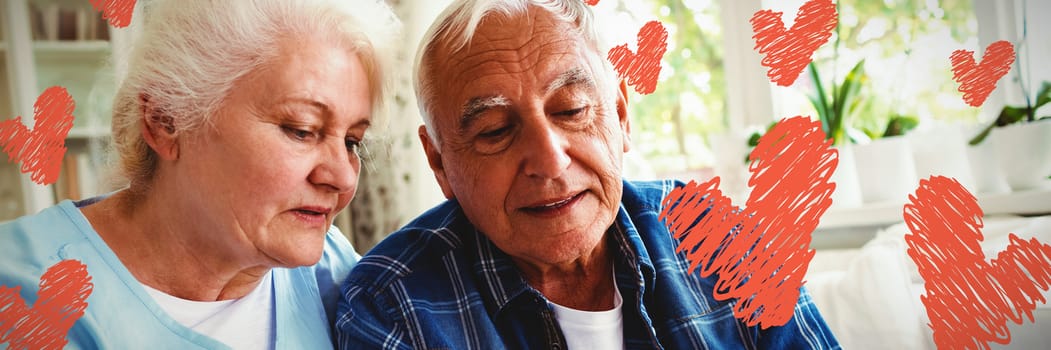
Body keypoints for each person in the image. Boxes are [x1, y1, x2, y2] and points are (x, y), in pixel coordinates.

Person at [335, 0, 839, 348]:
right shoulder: (393, 303)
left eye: (572, 109)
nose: (551, 161)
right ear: (440, 162)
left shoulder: (717, 235)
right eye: (494, 131)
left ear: (620, 117)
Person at [0, 0, 398, 348]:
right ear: (165, 121)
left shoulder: (338, 272)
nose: (344, 178)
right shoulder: (21, 289)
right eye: (301, 130)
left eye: (352, 142)